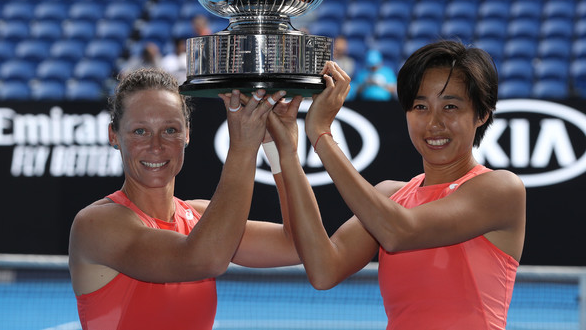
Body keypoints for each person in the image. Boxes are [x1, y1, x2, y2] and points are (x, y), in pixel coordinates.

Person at [266, 40, 526, 329]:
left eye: (450, 106)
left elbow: (399, 231)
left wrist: (322, 136)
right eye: (420, 106)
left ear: (482, 114)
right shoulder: (390, 196)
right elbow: (324, 268)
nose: (434, 123)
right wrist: (286, 152)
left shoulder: (501, 189)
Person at [69, 67, 300, 329]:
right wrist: (243, 148)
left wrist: (281, 149)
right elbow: (204, 259)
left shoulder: (201, 218)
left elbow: (300, 244)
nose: (156, 146)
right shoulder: (96, 224)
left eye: (170, 130)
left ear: (187, 133)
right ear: (114, 136)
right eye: (140, 132)